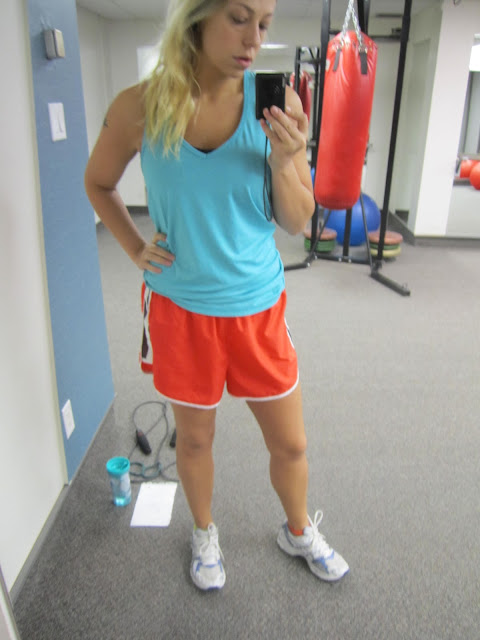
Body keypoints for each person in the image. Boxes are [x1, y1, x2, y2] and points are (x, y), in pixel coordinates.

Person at [85, 0, 349, 591]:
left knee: (291, 442)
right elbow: (98, 182)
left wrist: (286, 159)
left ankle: (298, 529)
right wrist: (135, 248)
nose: (254, 38)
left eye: (265, 24)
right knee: (196, 438)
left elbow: (298, 221)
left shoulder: (278, 104)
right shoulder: (140, 106)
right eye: (238, 17)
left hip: (257, 307)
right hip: (181, 310)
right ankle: (204, 532)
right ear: (197, 16)